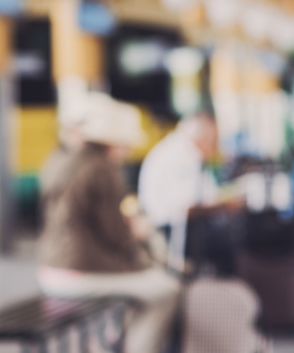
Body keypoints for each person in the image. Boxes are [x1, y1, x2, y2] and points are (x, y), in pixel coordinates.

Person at [39, 94, 181, 353]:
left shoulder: (59, 161)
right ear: (113, 142)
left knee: (144, 285)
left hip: (51, 270)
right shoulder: (102, 170)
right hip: (82, 274)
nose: (127, 152)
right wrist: (136, 229)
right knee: (166, 289)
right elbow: (117, 236)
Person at [139, 111, 241, 273]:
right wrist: (224, 204)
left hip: (182, 227)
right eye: (215, 138)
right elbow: (186, 206)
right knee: (230, 240)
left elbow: (207, 194)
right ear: (205, 133)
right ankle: (222, 293)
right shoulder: (178, 154)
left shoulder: (188, 152)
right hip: (171, 230)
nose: (216, 144)